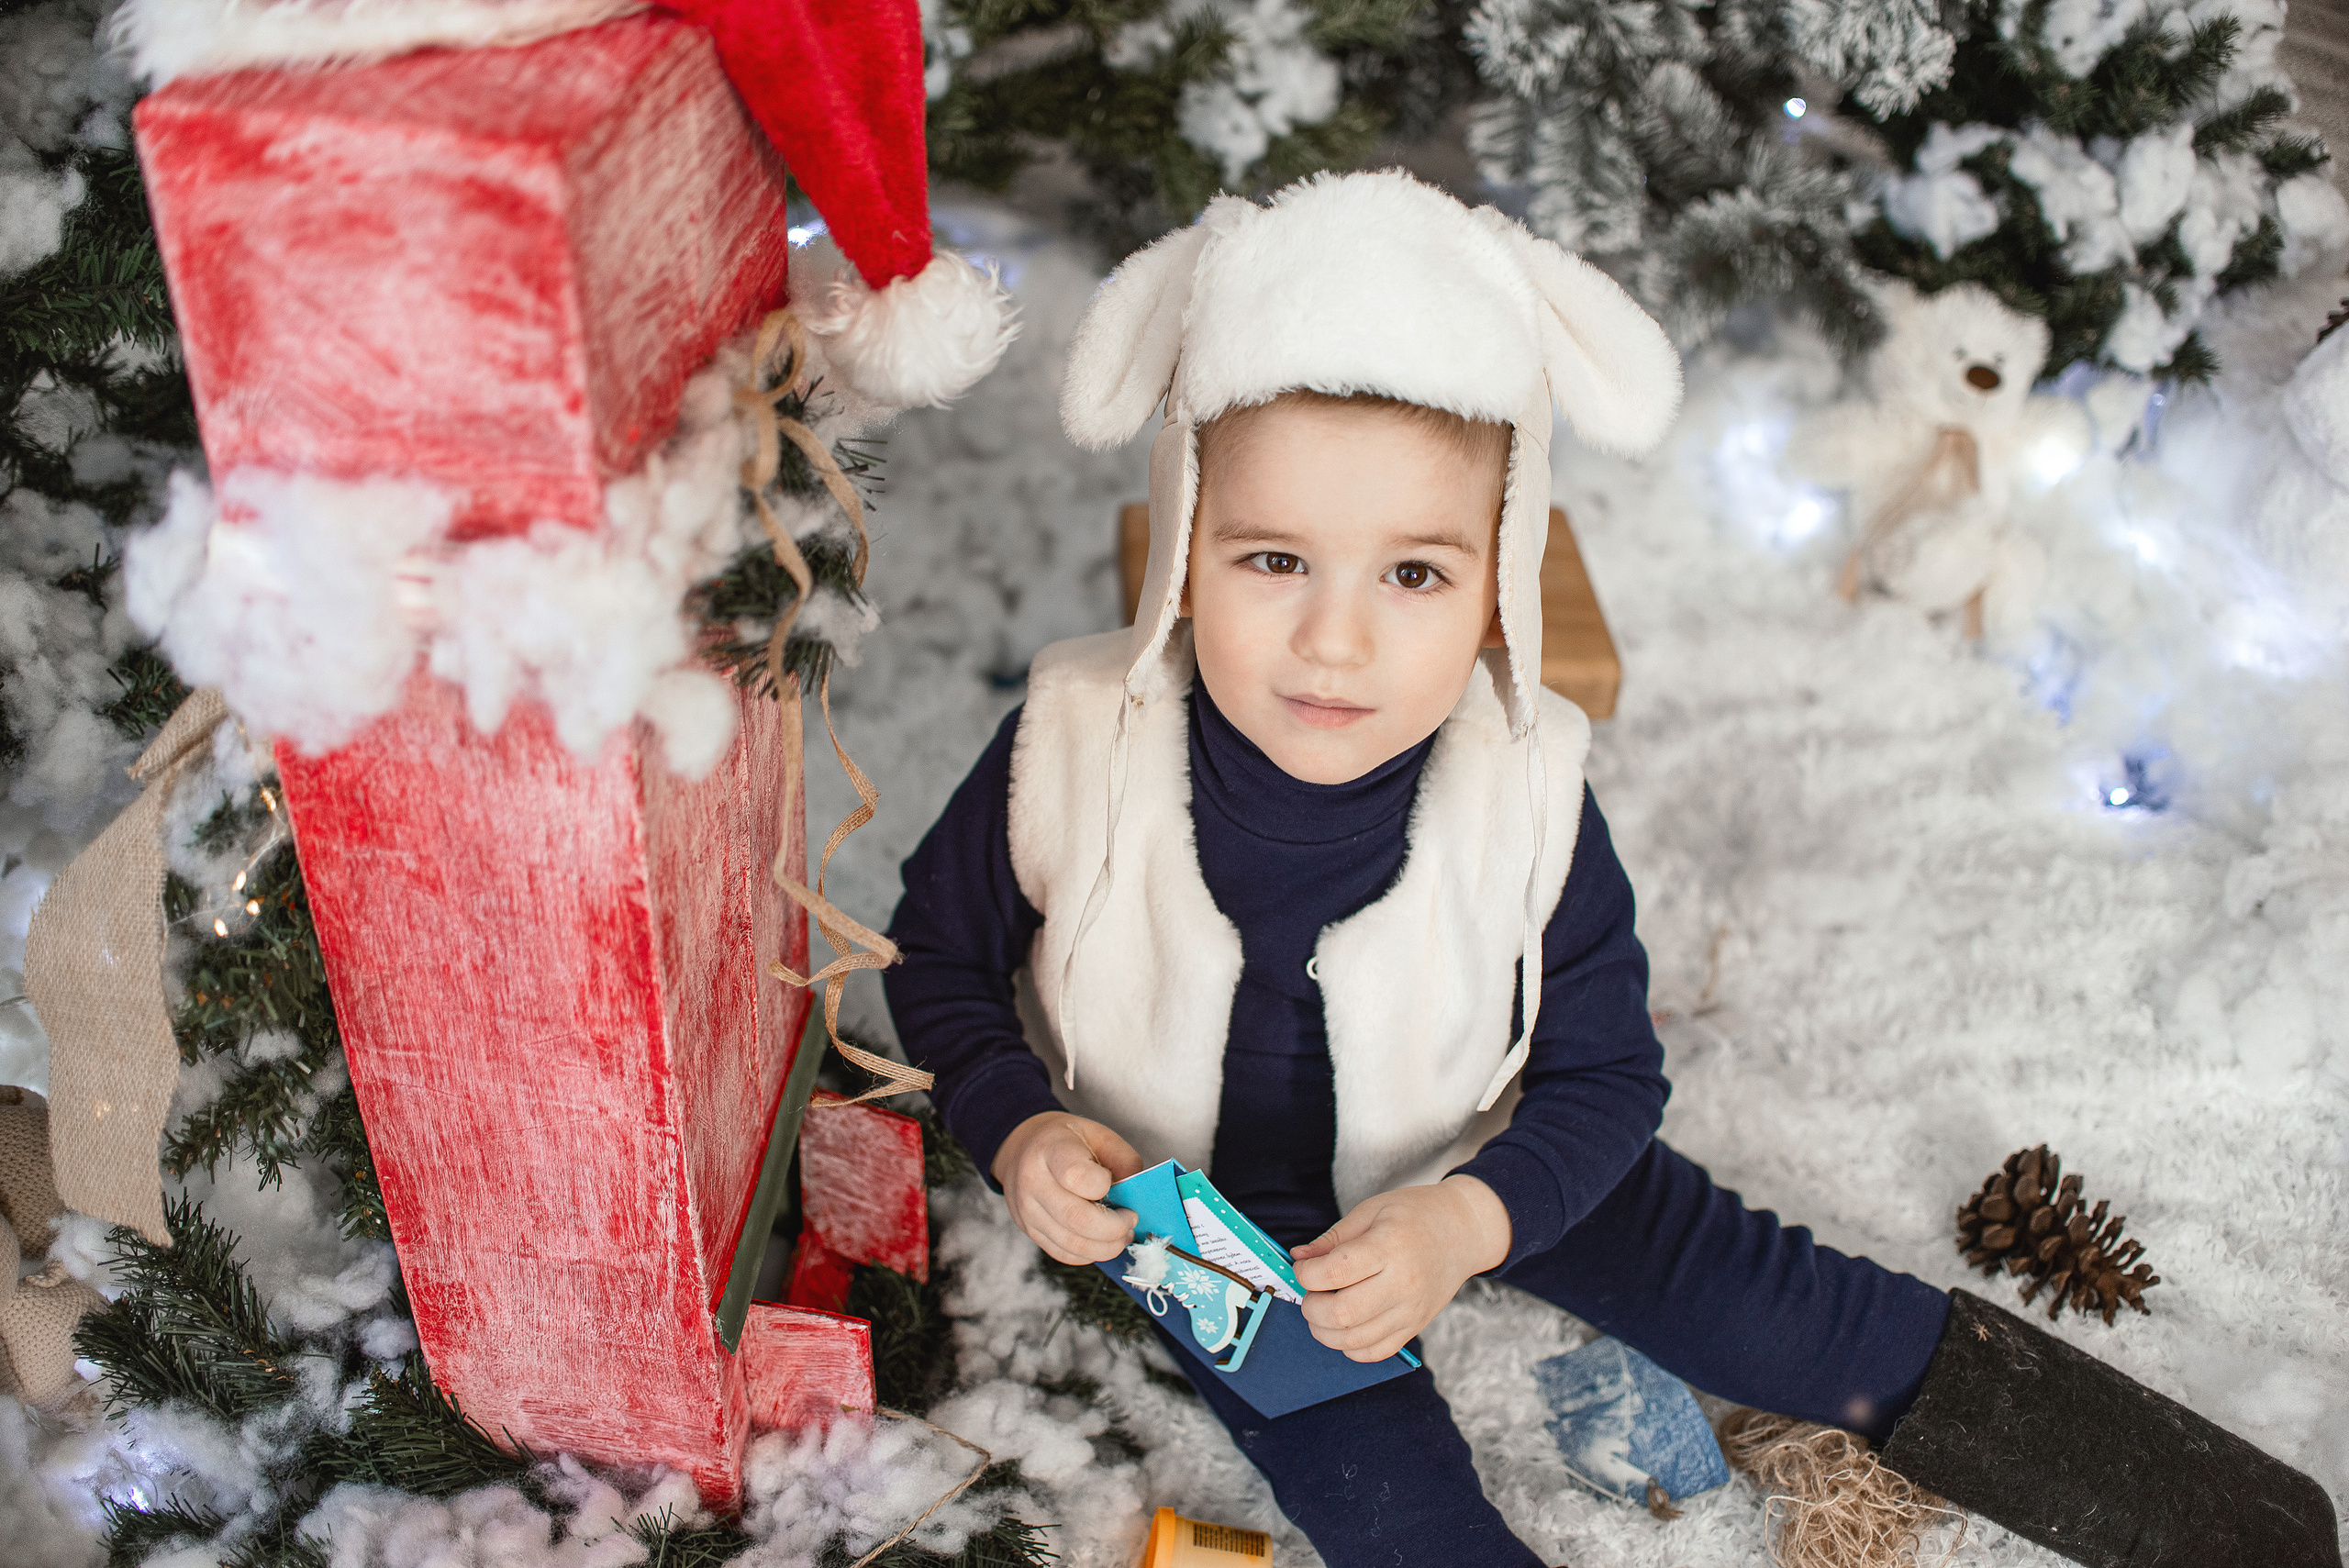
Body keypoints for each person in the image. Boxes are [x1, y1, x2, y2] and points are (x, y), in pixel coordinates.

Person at [882, 170, 2340, 1567]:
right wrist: (1017, 1125)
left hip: (1482, 1139)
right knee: (1398, 1511)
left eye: (1413, 574)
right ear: (1185, 545)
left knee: (1787, 1307)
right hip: (1215, 1230)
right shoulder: (1073, 745)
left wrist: (1471, 1215)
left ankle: (2244, 1524)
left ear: (1499, 576)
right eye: (1273, 562)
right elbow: (939, 961)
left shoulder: (1518, 791)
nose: (1337, 642)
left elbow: (1604, 1080)